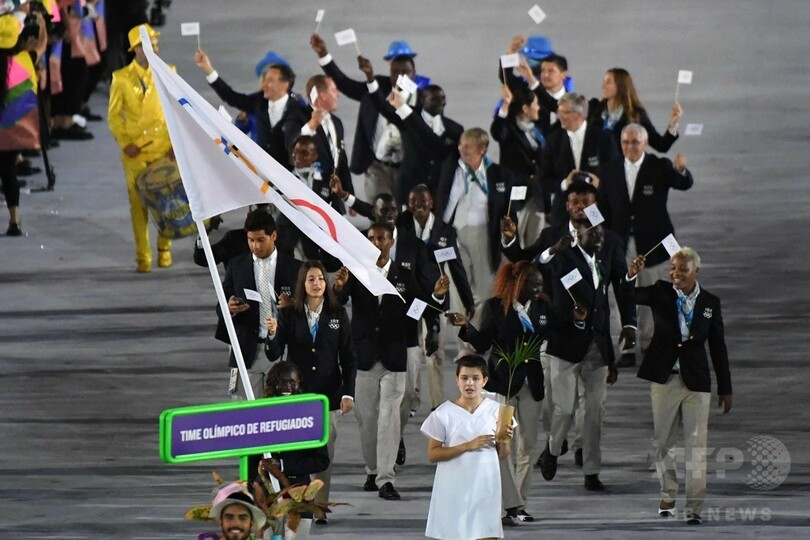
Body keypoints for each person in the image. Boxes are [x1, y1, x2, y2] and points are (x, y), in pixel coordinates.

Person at [447, 261, 570, 524]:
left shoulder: (543, 308)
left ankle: (520, 505)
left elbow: (561, 329)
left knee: (527, 445)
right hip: (504, 386)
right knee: (503, 445)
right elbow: (483, 344)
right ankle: (508, 504)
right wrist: (466, 327)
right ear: (519, 283)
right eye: (533, 284)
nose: (538, 288)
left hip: (531, 386)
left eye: (540, 284)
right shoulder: (495, 307)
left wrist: (578, 321)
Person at [334, 222, 445, 502]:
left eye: (381, 238)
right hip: (364, 357)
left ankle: (386, 478)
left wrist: (437, 295)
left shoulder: (404, 276)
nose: (375, 243)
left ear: (391, 241)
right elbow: (338, 301)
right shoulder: (356, 273)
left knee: (390, 419)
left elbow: (421, 306)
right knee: (367, 420)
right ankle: (372, 470)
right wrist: (338, 286)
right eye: (371, 238)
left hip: (394, 357)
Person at [625, 247, 732, 525]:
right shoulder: (660, 292)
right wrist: (631, 275)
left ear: (696, 271)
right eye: (673, 268)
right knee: (663, 441)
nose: (676, 274)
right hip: (665, 379)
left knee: (697, 445)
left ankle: (694, 506)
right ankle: (668, 493)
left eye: (683, 269)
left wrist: (725, 387)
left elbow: (718, 347)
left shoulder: (710, 303)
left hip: (697, 382)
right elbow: (629, 296)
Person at [538, 223, 627, 491]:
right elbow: (541, 266)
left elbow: (603, 310)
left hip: (596, 347)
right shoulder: (563, 257)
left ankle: (591, 471)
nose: (599, 236)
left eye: (601, 232)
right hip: (565, 344)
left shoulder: (602, 262)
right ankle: (552, 450)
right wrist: (552, 250)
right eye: (593, 232)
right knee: (564, 409)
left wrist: (610, 357)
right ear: (579, 234)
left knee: (594, 413)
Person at [265, 260, 355, 523]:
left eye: (321, 279)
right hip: (297, 399)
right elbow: (274, 353)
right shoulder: (289, 313)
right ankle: (299, 502)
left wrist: (348, 393)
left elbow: (349, 357)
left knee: (325, 453)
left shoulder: (338, 313)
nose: (317, 284)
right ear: (302, 284)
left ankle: (321, 505)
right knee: (299, 452)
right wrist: (272, 334)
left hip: (328, 396)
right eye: (311, 279)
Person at [599, 123, 694, 363]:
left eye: (635, 142)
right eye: (625, 142)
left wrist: (681, 170)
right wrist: (595, 232)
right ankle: (627, 347)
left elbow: (683, 183)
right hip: (620, 243)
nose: (630, 147)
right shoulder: (609, 170)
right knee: (623, 292)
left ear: (645, 143)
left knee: (651, 292)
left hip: (653, 243)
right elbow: (601, 206)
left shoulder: (659, 166)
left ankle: (650, 342)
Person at [310, 32, 419, 200]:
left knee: (404, 214)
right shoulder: (376, 86)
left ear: (414, 73)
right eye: (395, 71)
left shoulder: (423, 98)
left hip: (407, 170)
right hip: (377, 168)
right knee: (379, 210)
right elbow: (345, 84)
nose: (400, 76)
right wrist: (323, 54)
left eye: (405, 71)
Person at [435, 128, 512, 353]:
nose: (462, 149)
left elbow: (505, 207)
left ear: (482, 150)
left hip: (483, 237)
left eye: (467, 147)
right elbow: (443, 203)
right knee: (458, 291)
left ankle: (476, 338)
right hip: (454, 235)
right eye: (461, 145)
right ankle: (463, 348)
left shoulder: (497, 174)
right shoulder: (451, 168)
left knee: (485, 292)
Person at [420, 355, 512, 540]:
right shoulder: (443, 413)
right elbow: (433, 454)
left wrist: (504, 440)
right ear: (457, 380)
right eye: (464, 378)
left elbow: (502, 455)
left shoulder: (497, 411)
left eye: (475, 378)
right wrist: (467, 446)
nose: (470, 383)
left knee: (486, 533)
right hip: (454, 490)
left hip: (486, 487)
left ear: (484, 381)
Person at [107, 23, 174, 273]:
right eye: (148, 45)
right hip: (135, 151)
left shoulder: (168, 72)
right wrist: (126, 143)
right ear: (136, 49)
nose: (154, 49)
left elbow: (176, 110)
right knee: (138, 204)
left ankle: (164, 248)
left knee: (165, 201)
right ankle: (143, 256)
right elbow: (114, 116)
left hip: (163, 148)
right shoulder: (120, 78)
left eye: (155, 45)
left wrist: (175, 145)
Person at [215, 209, 302, 401]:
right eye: (251, 240)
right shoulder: (236, 266)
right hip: (247, 351)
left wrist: (292, 303)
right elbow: (220, 306)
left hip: (282, 352)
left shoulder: (294, 268)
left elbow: (306, 308)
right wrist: (229, 307)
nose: (255, 246)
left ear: (274, 236)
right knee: (247, 414)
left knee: (279, 412)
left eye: (261, 240)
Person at [194, 48, 306, 169]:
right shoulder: (258, 101)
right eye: (264, 79)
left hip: (290, 173)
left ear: (284, 84)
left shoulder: (298, 106)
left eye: (270, 80)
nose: (265, 84)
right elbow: (231, 97)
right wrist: (208, 71)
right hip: (262, 169)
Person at [252, 361, 331, 534]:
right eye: (281, 382)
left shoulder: (310, 417)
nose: (287, 387)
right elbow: (251, 459)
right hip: (267, 494)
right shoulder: (260, 415)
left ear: (299, 384)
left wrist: (282, 465)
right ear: (272, 384)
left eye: (292, 382)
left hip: (299, 493)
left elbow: (321, 460)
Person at [0, 7, 47, 236]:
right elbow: (42, 46)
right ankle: (14, 221)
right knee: (9, 173)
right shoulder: (25, 60)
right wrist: (42, 24)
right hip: (11, 133)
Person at [539, 92, 617, 228]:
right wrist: (564, 183)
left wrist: (599, 184)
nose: (559, 116)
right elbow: (543, 178)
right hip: (564, 210)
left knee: (595, 238)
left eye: (564, 112)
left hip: (594, 208)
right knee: (562, 241)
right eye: (559, 112)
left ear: (578, 115)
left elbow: (616, 176)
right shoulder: (553, 141)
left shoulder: (603, 139)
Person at [491, 83, 547, 246]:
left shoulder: (537, 130)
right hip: (516, 195)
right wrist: (506, 104)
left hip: (537, 195)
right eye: (535, 104)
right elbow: (497, 132)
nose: (538, 108)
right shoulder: (509, 129)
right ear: (525, 109)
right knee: (516, 241)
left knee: (536, 242)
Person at [589, 67, 681, 153]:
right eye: (604, 81)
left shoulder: (636, 114)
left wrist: (672, 125)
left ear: (620, 86)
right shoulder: (594, 108)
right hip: (593, 164)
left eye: (608, 82)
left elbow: (661, 145)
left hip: (621, 164)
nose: (603, 86)